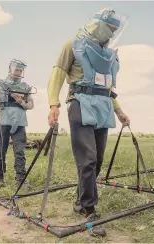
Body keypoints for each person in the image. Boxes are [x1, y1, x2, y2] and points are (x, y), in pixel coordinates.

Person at [47, 8, 130, 237]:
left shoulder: (108, 54)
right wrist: (53, 104)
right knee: (88, 158)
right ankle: (89, 209)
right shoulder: (72, 44)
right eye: (110, 28)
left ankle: (81, 200)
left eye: (116, 29)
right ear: (99, 24)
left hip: (103, 107)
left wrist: (120, 111)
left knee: (98, 159)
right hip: (80, 103)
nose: (112, 33)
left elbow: (107, 88)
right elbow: (57, 74)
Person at [0, 58, 34, 189]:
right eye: (17, 69)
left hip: (19, 123)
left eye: (21, 70)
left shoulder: (25, 86)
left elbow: (31, 105)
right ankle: (0, 178)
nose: (19, 72)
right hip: (2, 121)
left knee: (20, 151)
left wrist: (21, 102)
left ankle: (20, 179)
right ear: (10, 69)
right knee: (0, 151)